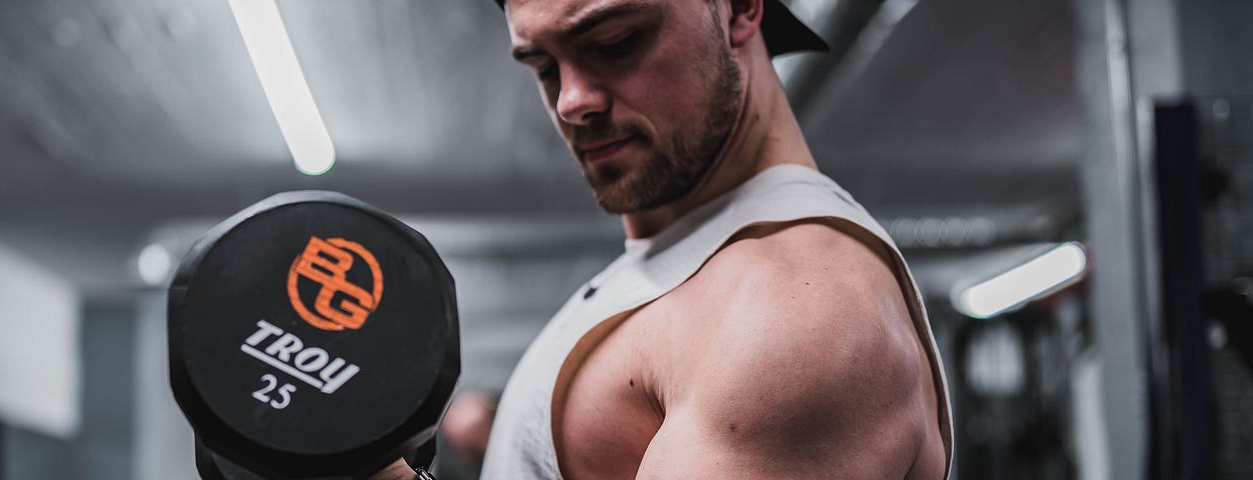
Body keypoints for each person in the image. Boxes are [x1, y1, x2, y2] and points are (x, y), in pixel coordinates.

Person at [377, 0, 952, 478]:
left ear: (741, 9)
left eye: (617, 42)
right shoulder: (692, 262)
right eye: (545, 66)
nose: (572, 101)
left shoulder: (793, 314)